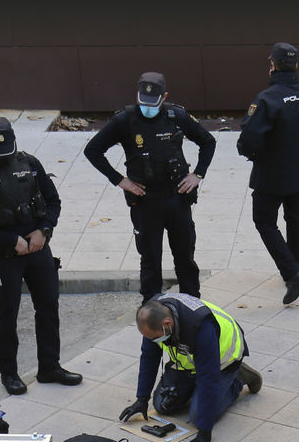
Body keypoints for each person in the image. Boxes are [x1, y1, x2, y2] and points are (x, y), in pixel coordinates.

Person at [0, 117, 82, 395]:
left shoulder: (30, 164)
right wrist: (10, 240)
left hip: (37, 249)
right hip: (4, 255)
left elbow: (53, 202)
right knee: (7, 316)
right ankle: (10, 374)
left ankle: (50, 367)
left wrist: (44, 231)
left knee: (48, 308)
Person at [84, 72, 216, 302]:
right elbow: (93, 150)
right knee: (150, 258)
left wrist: (198, 174)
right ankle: (151, 308)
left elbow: (208, 141)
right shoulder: (124, 120)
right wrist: (119, 180)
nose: (147, 109)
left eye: (152, 104)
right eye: (143, 104)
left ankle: (192, 303)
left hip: (177, 196)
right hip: (145, 200)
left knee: (184, 256)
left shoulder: (176, 116)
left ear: (164, 97)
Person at [118, 293, 263, 442]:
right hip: (190, 362)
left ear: (167, 324)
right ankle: (195, 387)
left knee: (198, 416)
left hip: (222, 362)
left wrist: (205, 430)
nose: (153, 341)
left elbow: (208, 377)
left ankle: (238, 379)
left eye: (156, 338)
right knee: (161, 405)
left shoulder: (200, 327)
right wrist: (142, 398)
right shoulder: (152, 317)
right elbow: (149, 357)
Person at [236, 42, 299, 304]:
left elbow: (247, 141)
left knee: (264, 221)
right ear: (296, 65)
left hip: (272, 175)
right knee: (294, 216)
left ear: (272, 65)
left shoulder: (266, 99)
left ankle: (293, 273)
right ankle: (294, 269)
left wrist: (253, 154)